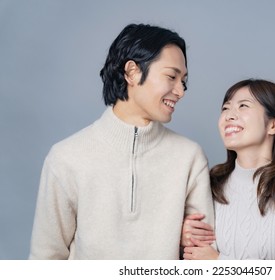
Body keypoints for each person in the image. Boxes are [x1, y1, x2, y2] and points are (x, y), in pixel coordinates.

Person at [29, 23, 214, 260]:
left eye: (183, 81)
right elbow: (45, 259)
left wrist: (181, 240)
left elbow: (203, 258)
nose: (181, 91)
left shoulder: (189, 157)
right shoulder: (66, 157)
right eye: (171, 76)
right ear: (132, 72)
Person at [182, 79, 275, 260]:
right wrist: (182, 235)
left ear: (274, 125)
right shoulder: (210, 181)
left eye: (243, 106)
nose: (229, 115)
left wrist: (218, 263)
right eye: (225, 108)